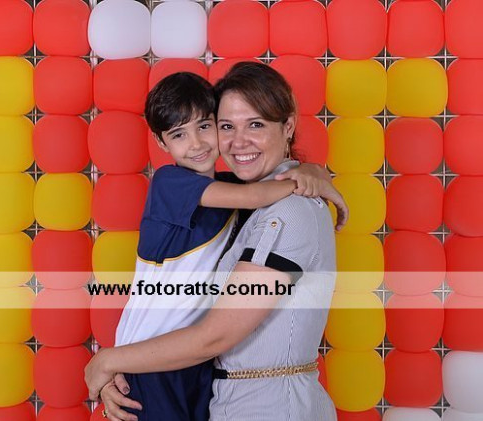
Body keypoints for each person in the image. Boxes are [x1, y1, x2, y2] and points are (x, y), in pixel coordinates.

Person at [85, 64, 342, 421]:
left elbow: (214, 337)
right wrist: (309, 175)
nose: (238, 141)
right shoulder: (209, 189)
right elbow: (256, 193)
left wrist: (106, 360)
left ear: (288, 126)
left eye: (255, 124)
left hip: (262, 401)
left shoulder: (285, 211)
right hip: (181, 368)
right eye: (227, 126)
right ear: (161, 142)